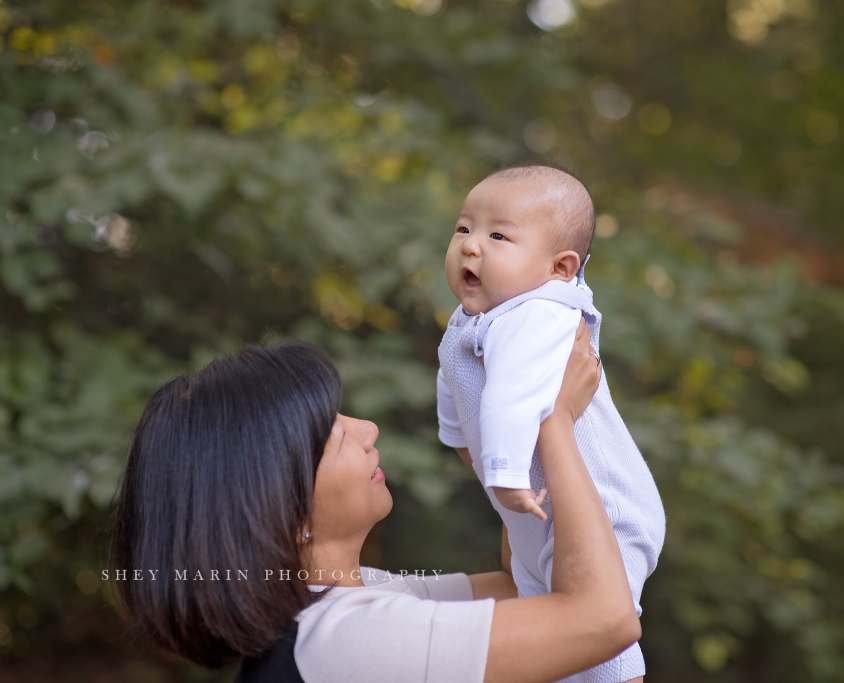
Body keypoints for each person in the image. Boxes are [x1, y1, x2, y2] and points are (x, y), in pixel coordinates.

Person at [108, 325, 640, 682]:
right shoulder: (341, 643)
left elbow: (519, 587)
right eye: (332, 435)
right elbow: (605, 619)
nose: (366, 430)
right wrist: (554, 425)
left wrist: (508, 439)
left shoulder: (346, 608)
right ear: (276, 503)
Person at [437, 162, 666, 683]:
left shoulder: (538, 315)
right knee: (548, 621)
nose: (472, 246)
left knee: (601, 629)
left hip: (605, 506)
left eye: (498, 235)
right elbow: (452, 385)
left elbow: (511, 398)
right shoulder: (470, 321)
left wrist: (501, 469)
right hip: (539, 510)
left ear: (561, 268)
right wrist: (461, 445)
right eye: (464, 229)